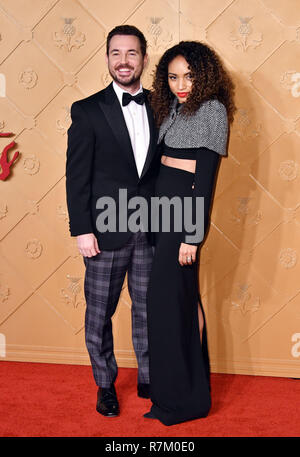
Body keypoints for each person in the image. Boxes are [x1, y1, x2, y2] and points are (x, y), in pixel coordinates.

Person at [65, 25, 159, 418]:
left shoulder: (162, 105)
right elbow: (76, 175)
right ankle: (105, 384)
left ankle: (150, 376)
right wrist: (82, 229)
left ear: (144, 58)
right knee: (99, 311)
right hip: (105, 230)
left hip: (153, 228)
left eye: (132, 53)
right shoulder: (87, 110)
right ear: (107, 58)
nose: (124, 61)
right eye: (116, 53)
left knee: (149, 309)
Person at [144, 41, 236, 425]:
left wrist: (192, 236)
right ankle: (174, 394)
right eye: (174, 76)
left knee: (170, 303)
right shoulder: (173, 110)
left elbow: (206, 180)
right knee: (176, 302)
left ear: (204, 75)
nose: (182, 84)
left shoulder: (213, 111)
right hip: (161, 216)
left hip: (183, 221)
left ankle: (187, 399)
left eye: (189, 75)